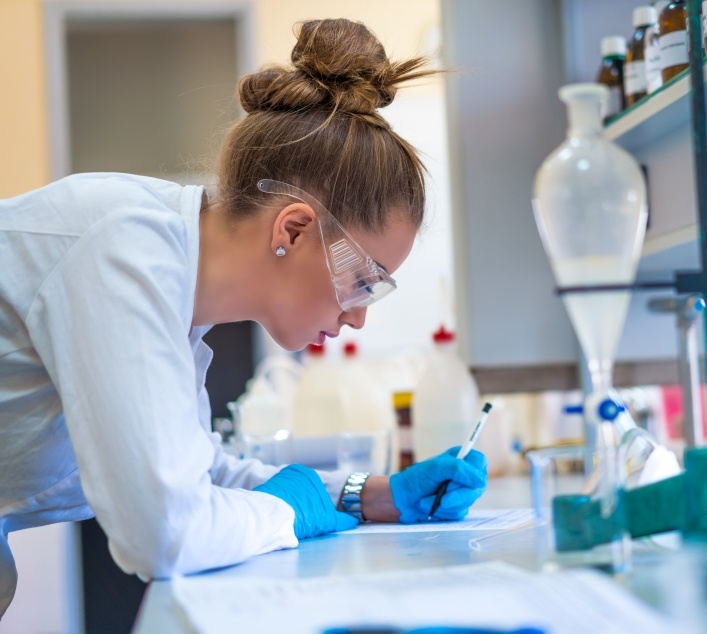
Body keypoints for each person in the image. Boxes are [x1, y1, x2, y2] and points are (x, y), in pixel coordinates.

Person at [0, 18, 488, 617]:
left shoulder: (174, 285)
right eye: (363, 281)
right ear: (295, 228)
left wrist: (369, 497)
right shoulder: (121, 250)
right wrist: (288, 513)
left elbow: (198, 472)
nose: (358, 318)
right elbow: (165, 532)